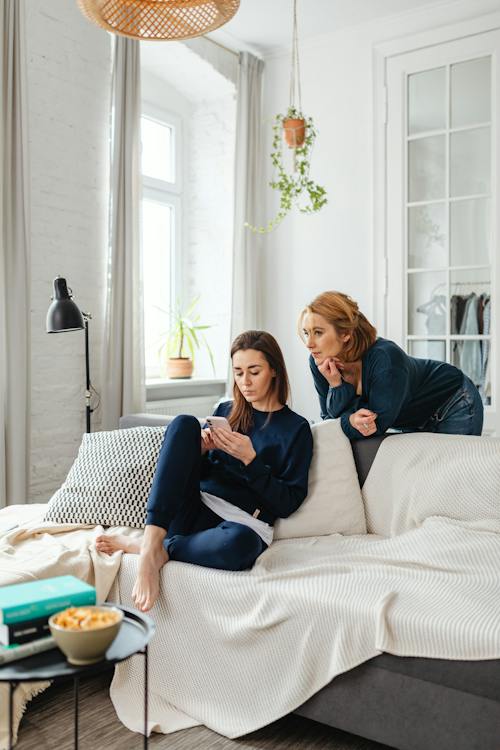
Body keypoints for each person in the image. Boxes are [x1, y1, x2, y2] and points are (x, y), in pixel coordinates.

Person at [96, 330, 313, 612]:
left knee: (239, 546)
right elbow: (197, 475)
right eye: (238, 372)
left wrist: (250, 461)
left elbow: (288, 503)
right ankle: (152, 545)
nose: (244, 382)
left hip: (241, 525)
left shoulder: (296, 429)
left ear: (274, 370)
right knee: (185, 423)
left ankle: (157, 548)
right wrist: (200, 451)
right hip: (193, 510)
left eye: (254, 371)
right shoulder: (225, 411)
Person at [300, 290, 483, 440]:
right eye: (306, 333)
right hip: (412, 417)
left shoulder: (385, 358)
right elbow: (328, 421)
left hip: (453, 401)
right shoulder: (318, 361)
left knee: (452, 480)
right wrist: (336, 385)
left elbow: (374, 426)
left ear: (346, 334)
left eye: (318, 332)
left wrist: (347, 421)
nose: (309, 343)